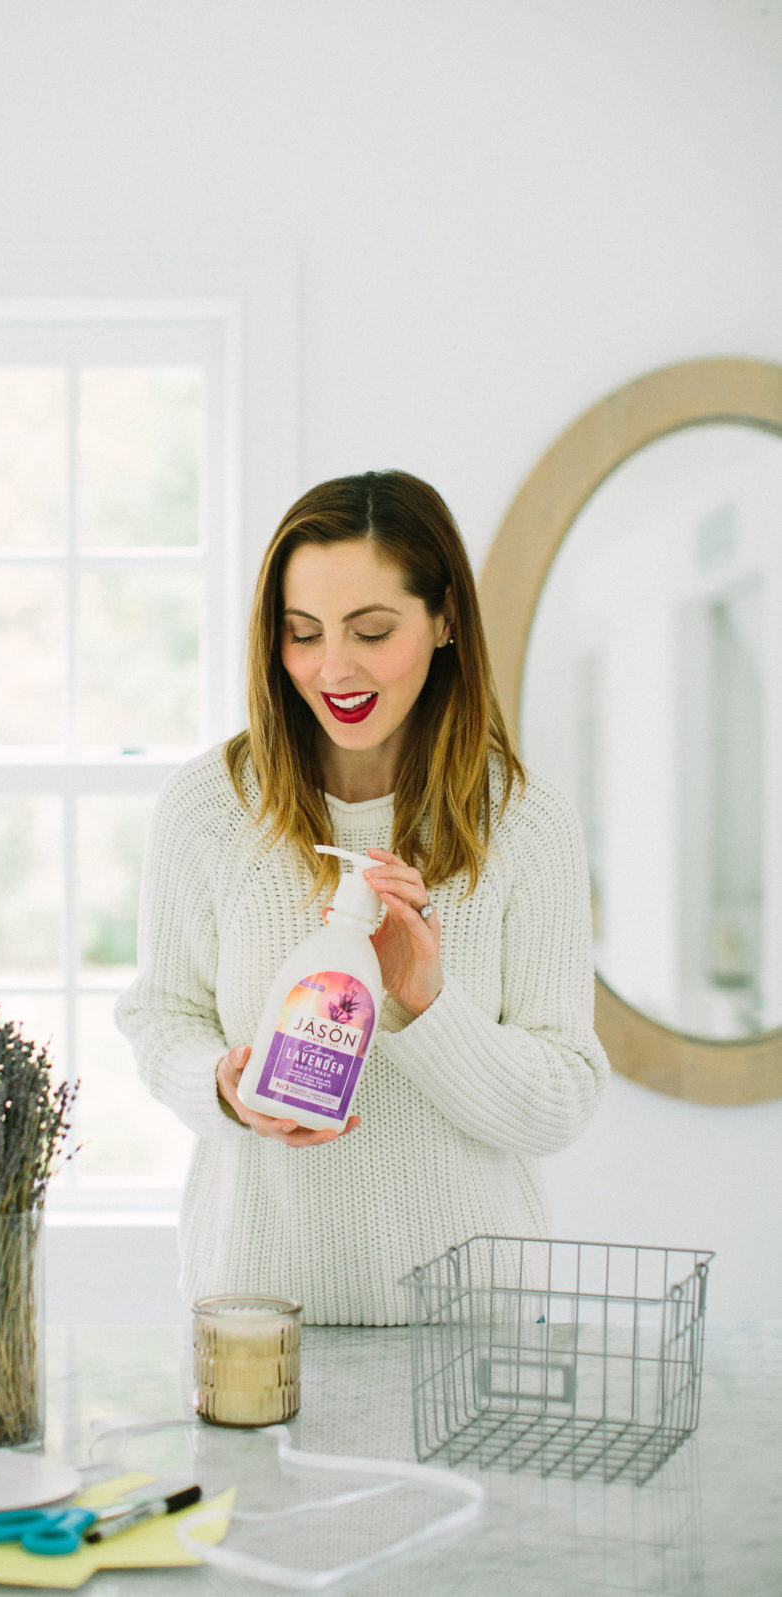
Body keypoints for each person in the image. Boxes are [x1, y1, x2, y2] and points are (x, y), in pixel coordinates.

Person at [115, 470, 608, 1326]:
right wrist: (228, 1087)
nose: (332, 669)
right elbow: (162, 1017)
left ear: (446, 617)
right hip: (257, 1315)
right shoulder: (208, 808)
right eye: (302, 634)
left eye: (371, 631)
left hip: (471, 1331)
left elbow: (560, 1101)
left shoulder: (526, 823)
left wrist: (426, 1002)